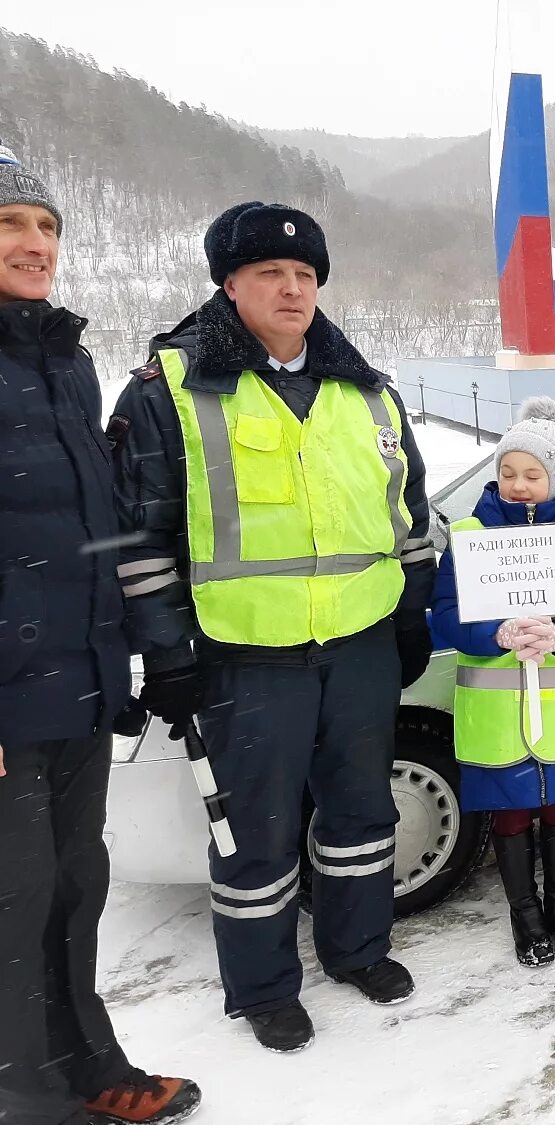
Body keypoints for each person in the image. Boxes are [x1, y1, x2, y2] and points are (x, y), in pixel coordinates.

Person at [110, 202, 436, 1053]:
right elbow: (138, 536)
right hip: (243, 655)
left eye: (304, 276)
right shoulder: (171, 389)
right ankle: (262, 987)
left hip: (360, 646)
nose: (292, 290)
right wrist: (164, 647)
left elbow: (410, 519)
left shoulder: (366, 389)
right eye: (269, 275)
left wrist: (409, 614)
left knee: (362, 811)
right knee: (253, 832)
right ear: (229, 283)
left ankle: (357, 948)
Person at [0, 147, 200, 1125]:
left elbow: (102, 529)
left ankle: (90, 1067)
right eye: (9, 224)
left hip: (74, 681)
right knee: (12, 901)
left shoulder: (66, 361)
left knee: (77, 885)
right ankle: (26, 1098)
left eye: (46, 226)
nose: (34, 243)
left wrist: (128, 655)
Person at [430, 397, 555, 965]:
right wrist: (496, 633)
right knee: (509, 812)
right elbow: (447, 614)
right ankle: (525, 914)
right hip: (498, 715)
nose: (518, 483)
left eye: (532, 474)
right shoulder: (468, 537)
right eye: (508, 471)